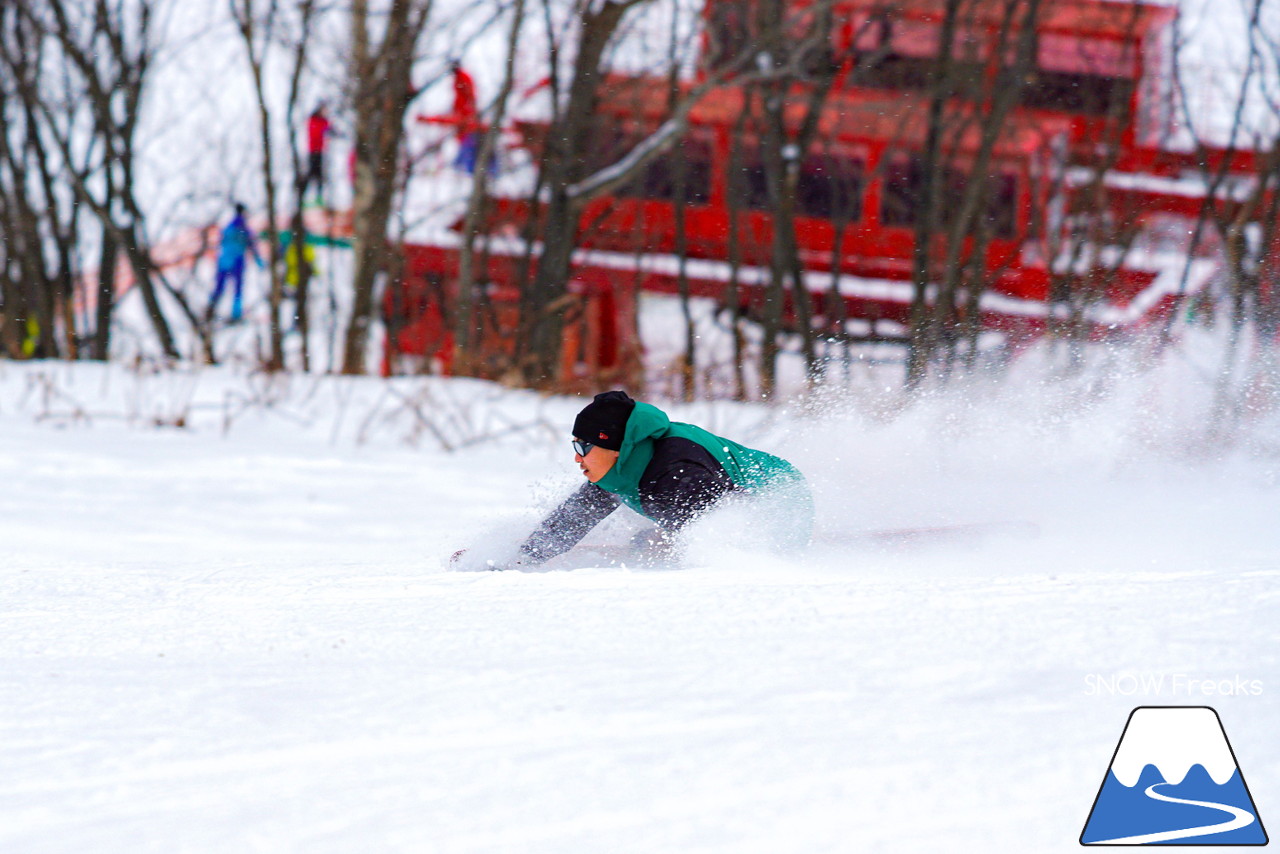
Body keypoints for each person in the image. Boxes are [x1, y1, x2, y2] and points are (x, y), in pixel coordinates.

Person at [509, 390, 813, 568]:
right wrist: (520, 560)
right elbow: (571, 521)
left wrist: (667, 543)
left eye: (583, 447)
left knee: (655, 547)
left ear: (617, 447)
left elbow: (726, 532)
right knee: (649, 543)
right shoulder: (618, 467)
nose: (577, 457)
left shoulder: (678, 472)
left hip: (781, 494)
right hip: (721, 492)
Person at [207, 203, 263, 324]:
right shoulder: (244, 228)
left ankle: (210, 311)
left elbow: (220, 243)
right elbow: (251, 245)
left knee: (219, 287)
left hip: (224, 260)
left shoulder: (228, 227)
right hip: (237, 260)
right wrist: (260, 263)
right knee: (237, 289)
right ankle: (236, 314)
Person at [299, 103, 334, 204]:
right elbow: (316, 134)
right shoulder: (313, 121)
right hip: (313, 152)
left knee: (319, 176)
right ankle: (302, 198)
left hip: (320, 152)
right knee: (311, 175)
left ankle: (319, 198)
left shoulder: (323, 122)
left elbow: (331, 129)